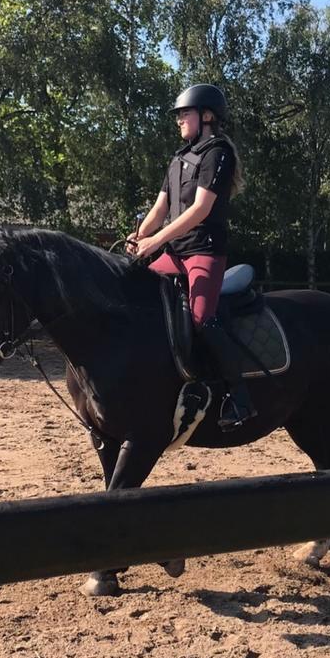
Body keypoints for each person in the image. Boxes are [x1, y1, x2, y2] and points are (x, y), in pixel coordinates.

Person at [126, 83, 257, 431]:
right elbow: (159, 208)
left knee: (202, 318)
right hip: (175, 252)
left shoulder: (218, 153)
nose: (179, 120)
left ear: (207, 116)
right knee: (134, 292)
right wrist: (139, 235)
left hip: (204, 251)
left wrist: (155, 241)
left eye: (185, 114)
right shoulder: (178, 159)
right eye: (180, 115)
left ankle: (240, 398)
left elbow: (200, 210)